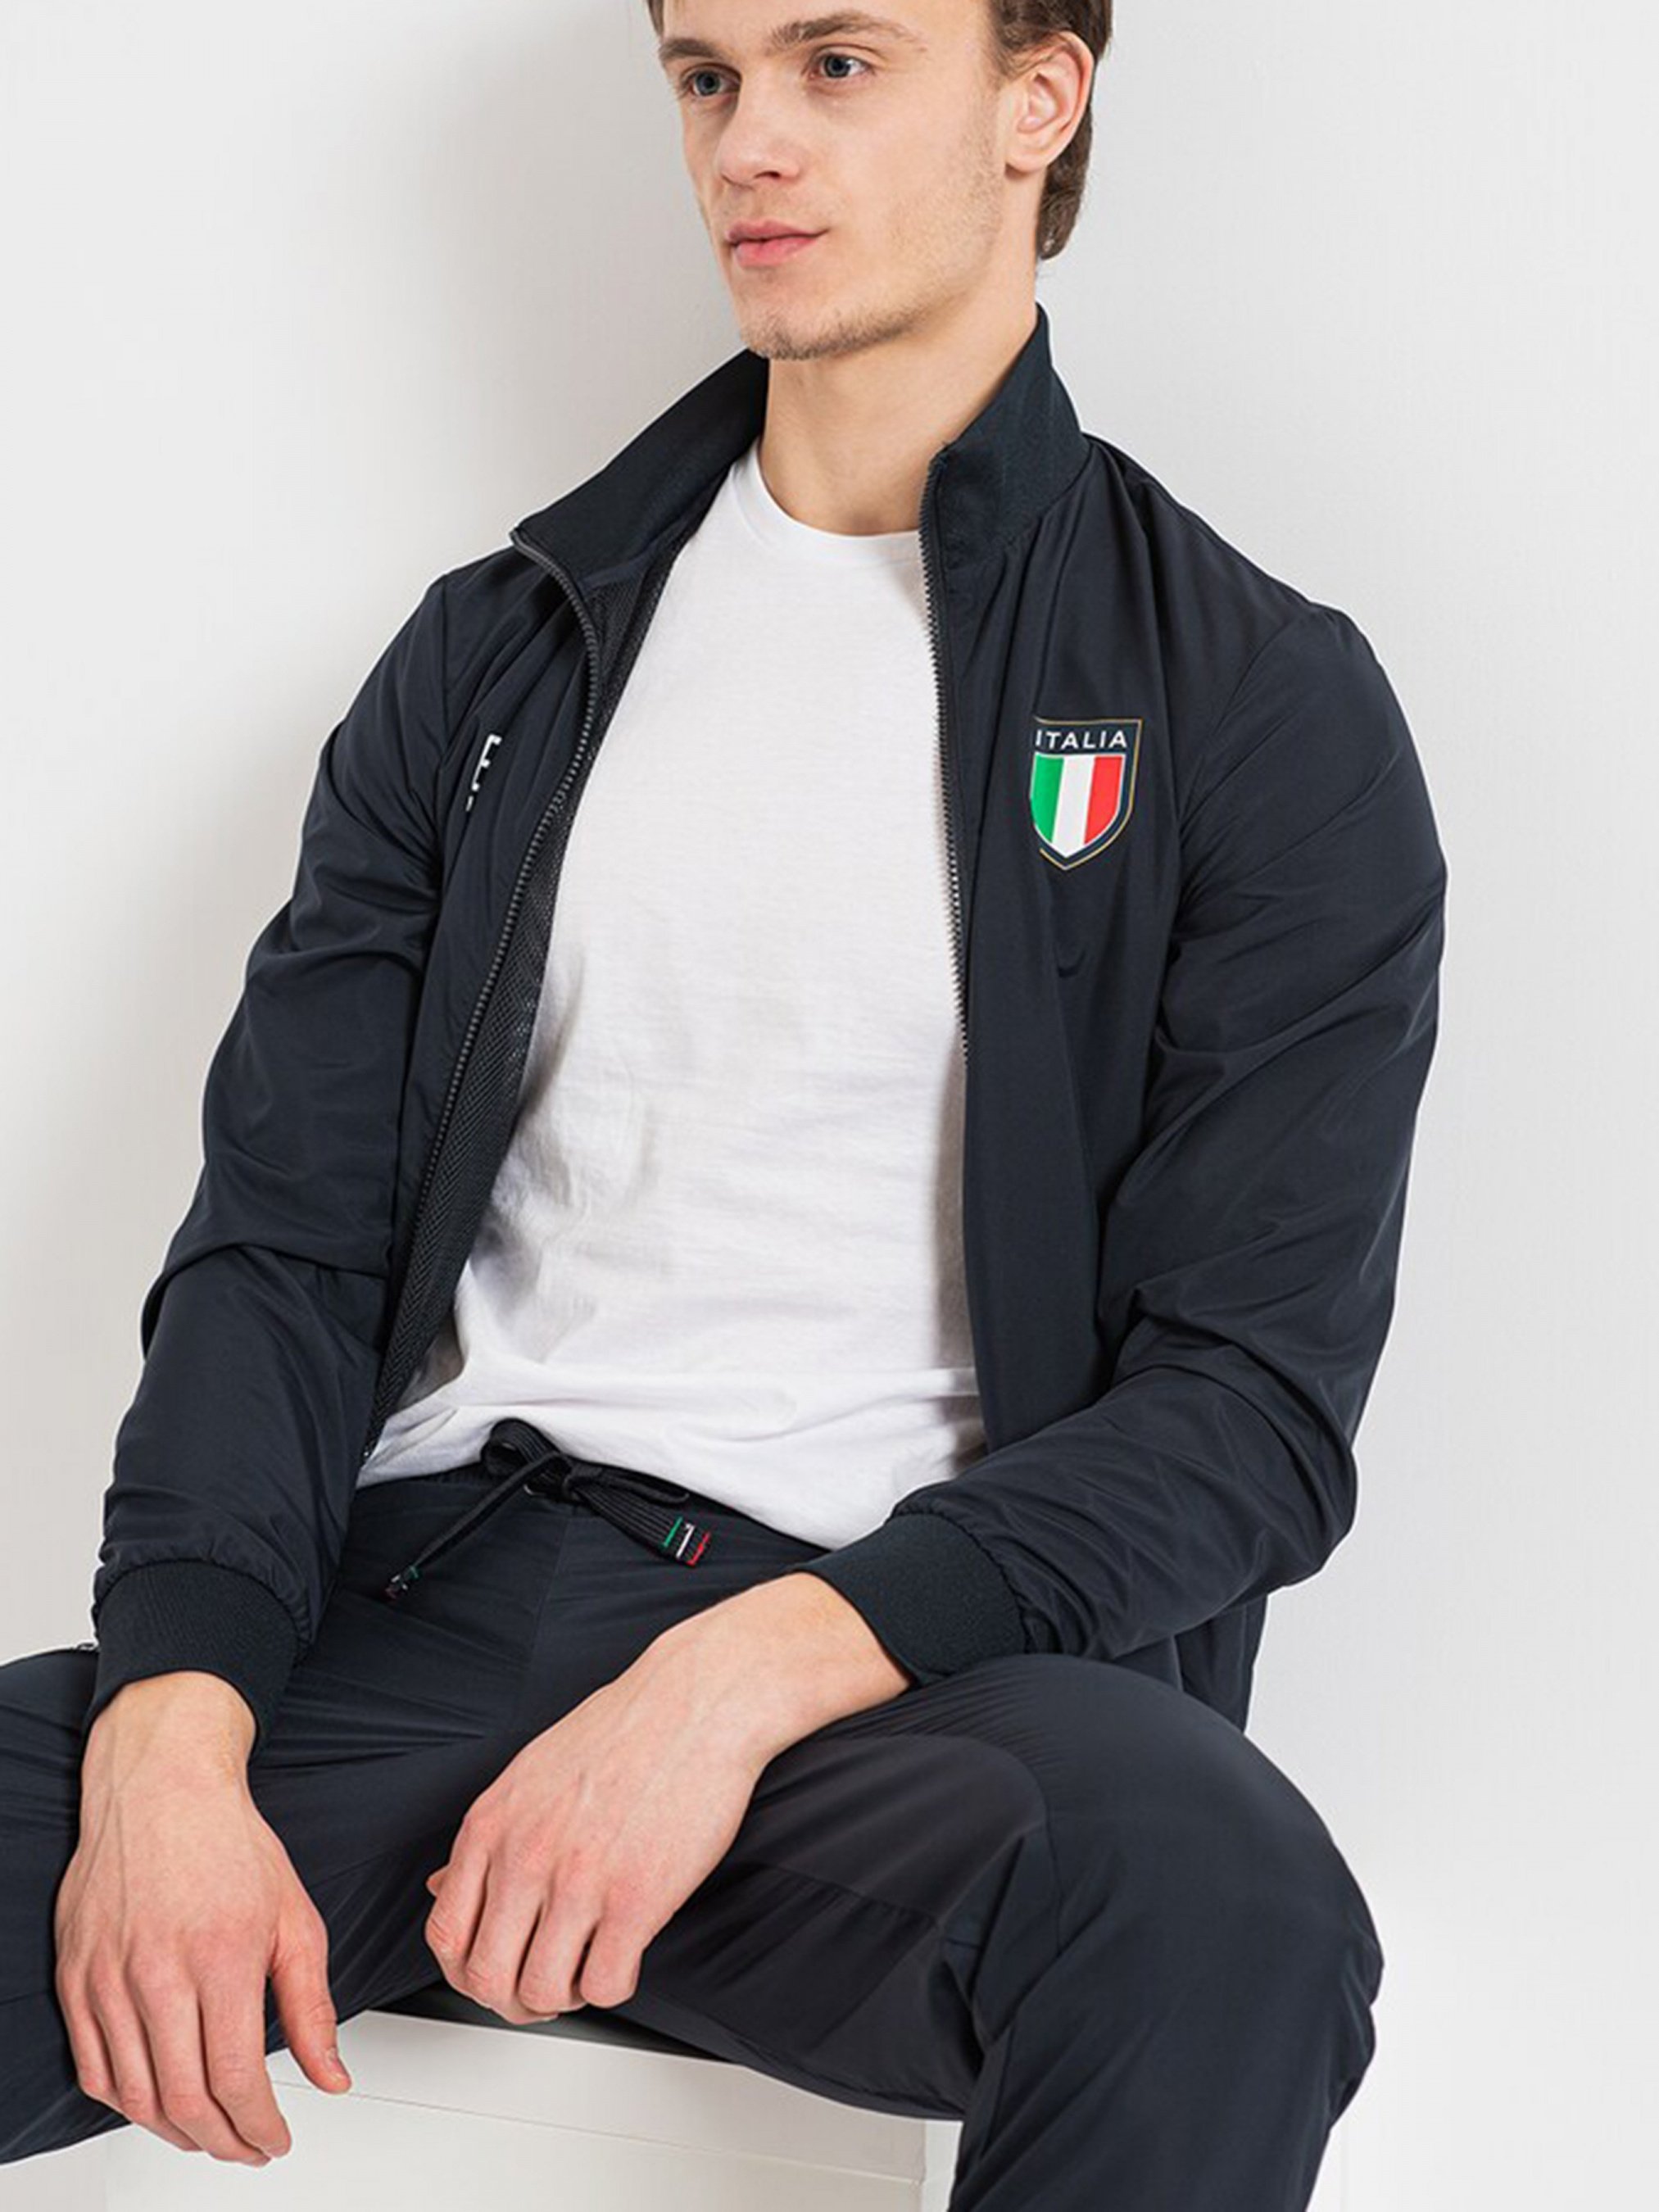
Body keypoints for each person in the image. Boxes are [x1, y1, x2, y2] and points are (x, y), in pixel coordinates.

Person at [0, 3, 1447, 2203]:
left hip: (886, 1688)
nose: (749, 142)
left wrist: (735, 1685)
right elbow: (281, 1250)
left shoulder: (1248, 701)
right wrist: (172, 1736)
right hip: (410, 1609)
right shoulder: (501, 653)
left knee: (1214, 1905)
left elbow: (1246, 1406)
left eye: (837, 63)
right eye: (706, 75)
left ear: (1037, 99)